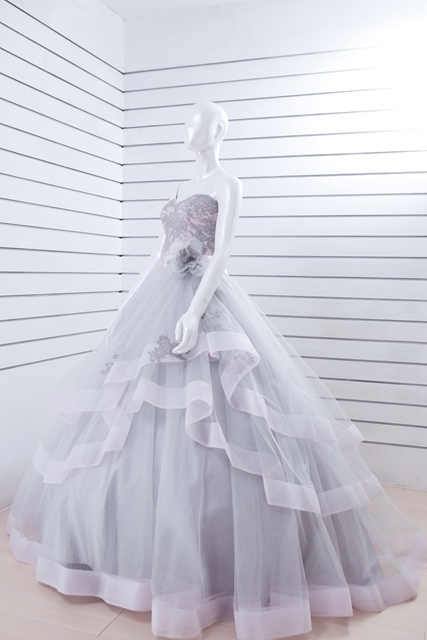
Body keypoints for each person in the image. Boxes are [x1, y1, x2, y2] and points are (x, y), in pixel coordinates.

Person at [6, 101, 427, 640]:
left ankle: (221, 563)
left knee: (227, 413)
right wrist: (125, 307)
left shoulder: (228, 183)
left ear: (218, 129)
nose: (186, 127)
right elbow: (159, 254)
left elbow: (221, 253)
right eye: (186, 120)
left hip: (203, 301)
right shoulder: (182, 187)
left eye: (196, 120)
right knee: (132, 415)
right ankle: (127, 550)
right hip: (161, 299)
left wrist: (194, 310)